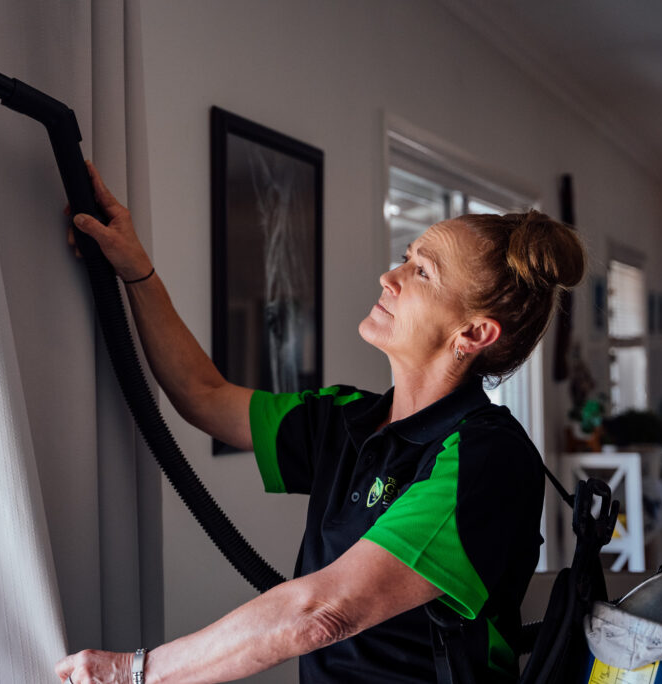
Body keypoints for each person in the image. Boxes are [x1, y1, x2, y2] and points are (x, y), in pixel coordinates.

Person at [55, 163, 585, 684]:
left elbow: (323, 613)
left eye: (422, 272)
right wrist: (135, 269)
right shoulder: (348, 417)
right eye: (406, 258)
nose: (389, 277)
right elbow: (204, 395)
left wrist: (133, 673)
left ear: (473, 333)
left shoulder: (486, 458)